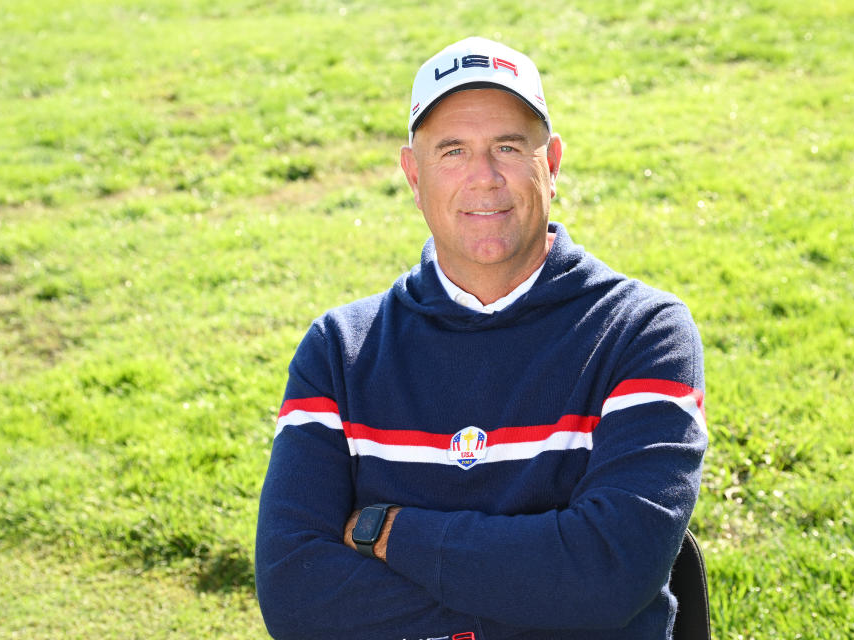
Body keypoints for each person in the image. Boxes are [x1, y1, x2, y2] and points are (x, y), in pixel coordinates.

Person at [255, 37, 707, 640]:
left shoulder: (643, 332)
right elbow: (296, 593)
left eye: (508, 147)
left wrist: (389, 532)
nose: (484, 178)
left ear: (552, 163)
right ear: (413, 176)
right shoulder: (340, 349)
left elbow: (606, 576)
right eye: (453, 151)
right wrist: (539, 600)